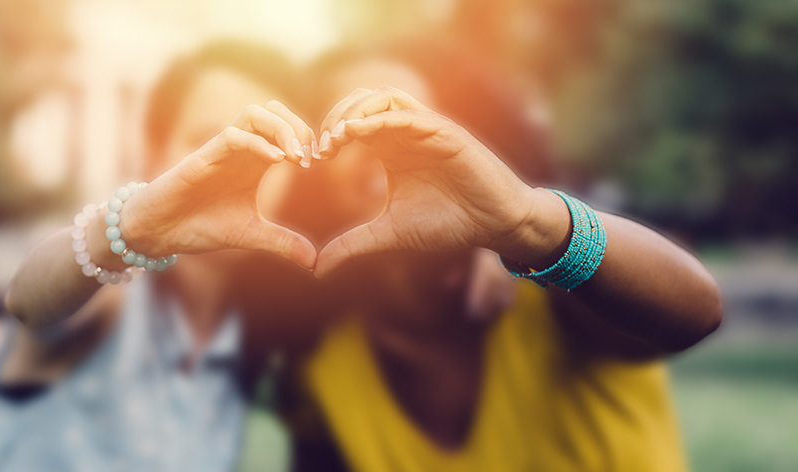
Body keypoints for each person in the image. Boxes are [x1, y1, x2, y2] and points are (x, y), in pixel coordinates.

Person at [262, 38, 722, 472]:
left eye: (395, 114)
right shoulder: (325, 365)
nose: (376, 139)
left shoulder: (550, 278)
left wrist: (525, 225)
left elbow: (696, 312)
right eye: (343, 124)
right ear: (313, 174)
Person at [0, 42, 316, 472]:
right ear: (156, 152)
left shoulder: (245, 337)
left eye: (267, 144)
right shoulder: (111, 293)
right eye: (208, 140)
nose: (235, 165)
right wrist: (121, 234)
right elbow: (27, 301)